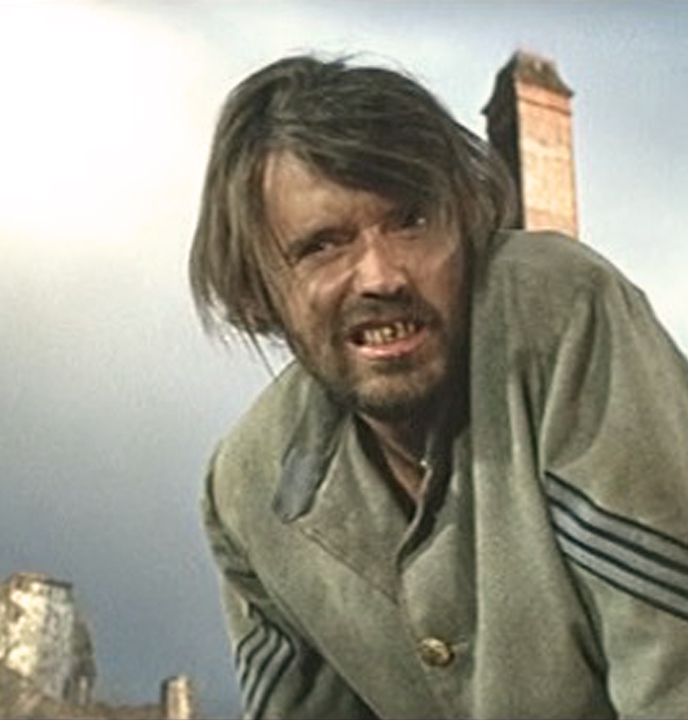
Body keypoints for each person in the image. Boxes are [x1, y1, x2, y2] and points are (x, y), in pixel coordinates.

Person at [189, 54, 688, 718]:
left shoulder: (560, 316)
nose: (381, 276)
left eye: (412, 221)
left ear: (467, 222)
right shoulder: (248, 488)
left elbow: (672, 661)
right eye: (323, 246)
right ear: (259, 291)